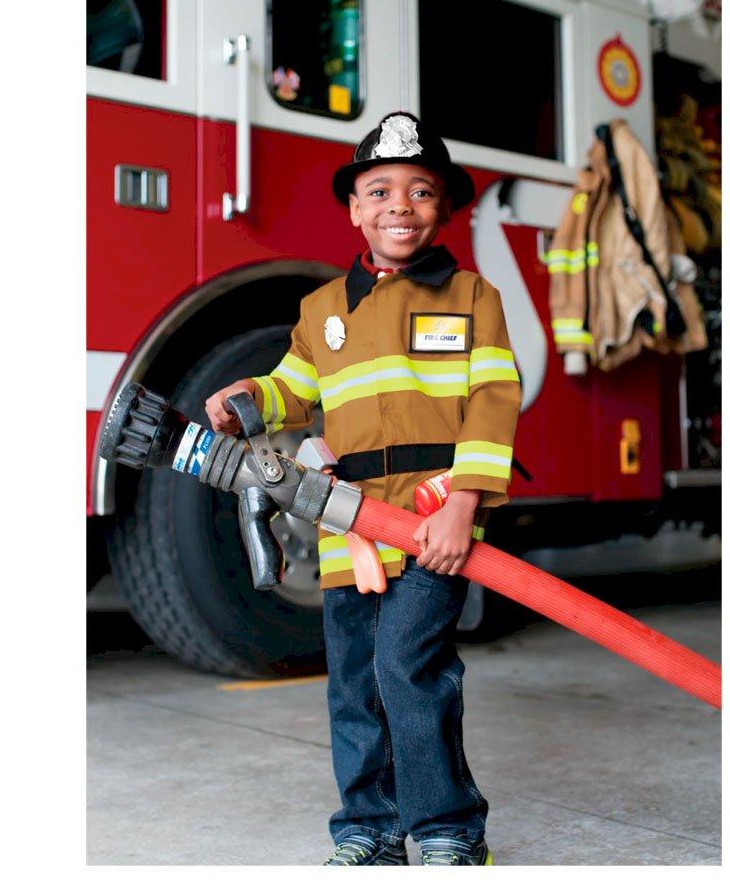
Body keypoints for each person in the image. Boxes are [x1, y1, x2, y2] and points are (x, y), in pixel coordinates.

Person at [205, 111, 521, 866]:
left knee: (407, 666)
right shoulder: (323, 313)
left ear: (442, 208)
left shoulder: (472, 296)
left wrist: (467, 508)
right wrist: (251, 391)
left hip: (432, 523)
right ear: (354, 208)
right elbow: (292, 389)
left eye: (419, 191)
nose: (399, 207)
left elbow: (493, 397)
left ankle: (448, 828)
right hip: (347, 531)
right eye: (379, 191)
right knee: (353, 685)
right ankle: (370, 831)